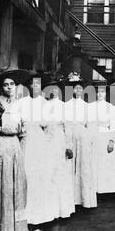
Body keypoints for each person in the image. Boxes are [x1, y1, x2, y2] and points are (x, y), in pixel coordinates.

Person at [0, 68, 30, 231]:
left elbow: (24, 131)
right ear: (1, 87)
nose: (9, 87)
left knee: (13, 186)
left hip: (14, 146)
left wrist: (22, 151)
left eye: (12, 84)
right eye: (6, 85)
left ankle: (13, 230)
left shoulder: (20, 105)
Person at [18, 74, 59, 225]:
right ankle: (26, 216)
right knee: (27, 173)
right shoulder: (22, 102)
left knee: (41, 175)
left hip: (40, 141)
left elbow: (50, 126)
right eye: (32, 83)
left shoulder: (45, 104)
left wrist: (48, 144)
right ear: (28, 86)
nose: (34, 86)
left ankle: (43, 215)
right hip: (26, 140)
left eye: (37, 84)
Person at [43, 79, 75, 219]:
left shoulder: (63, 106)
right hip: (45, 141)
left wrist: (68, 146)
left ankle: (62, 210)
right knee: (47, 173)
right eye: (51, 88)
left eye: (56, 89)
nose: (53, 91)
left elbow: (68, 127)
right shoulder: (43, 105)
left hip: (59, 141)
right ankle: (49, 210)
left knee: (60, 173)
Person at [64, 72, 96, 209]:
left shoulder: (87, 106)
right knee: (70, 166)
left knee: (83, 166)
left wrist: (90, 138)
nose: (77, 91)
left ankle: (84, 199)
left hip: (83, 137)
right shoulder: (67, 105)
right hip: (71, 135)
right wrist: (67, 141)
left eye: (80, 88)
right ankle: (71, 200)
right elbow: (66, 124)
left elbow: (90, 125)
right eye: (75, 88)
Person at [88, 81, 115, 196]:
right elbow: (88, 124)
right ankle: (95, 189)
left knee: (106, 163)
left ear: (105, 93)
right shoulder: (90, 106)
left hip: (106, 137)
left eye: (102, 91)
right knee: (94, 162)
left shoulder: (110, 107)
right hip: (94, 137)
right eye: (98, 92)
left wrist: (112, 141)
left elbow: (113, 126)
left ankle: (107, 189)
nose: (100, 94)